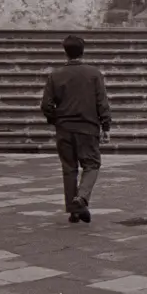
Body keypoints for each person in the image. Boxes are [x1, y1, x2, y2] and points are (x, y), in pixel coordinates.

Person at [40, 34, 111, 223]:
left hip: (64, 128)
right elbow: (101, 102)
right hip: (88, 126)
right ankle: (82, 197)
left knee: (69, 168)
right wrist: (106, 125)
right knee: (92, 164)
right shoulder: (94, 74)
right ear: (83, 51)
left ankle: (74, 209)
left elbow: (46, 105)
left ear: (65, 52)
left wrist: (56, 120)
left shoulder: (55, 75)